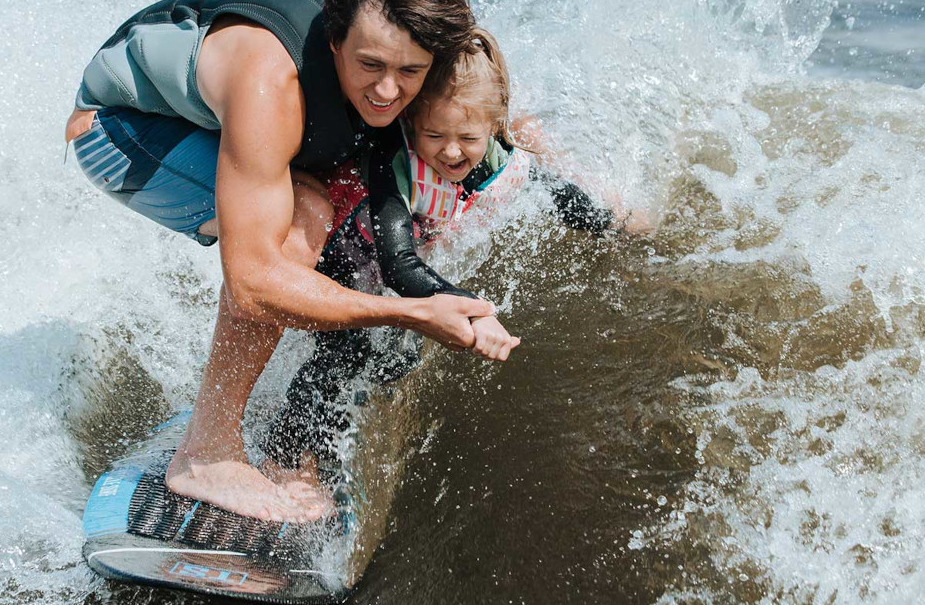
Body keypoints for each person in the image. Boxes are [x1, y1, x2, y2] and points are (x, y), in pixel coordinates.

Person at [65, 0, 505, 523]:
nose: (387, 91)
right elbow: (252, 284)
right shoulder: (272, 82)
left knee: (364, 237)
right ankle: (206, 454)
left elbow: (487, 108)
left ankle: (296, 433)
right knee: (308, 220)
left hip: (233, 125)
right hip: (121, 131)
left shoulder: (409, 34)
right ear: (334, 39)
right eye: (369, 65)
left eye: (409, 73)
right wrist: (413, 313)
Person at [260, 28, 648, 497]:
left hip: (378, 260)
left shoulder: (495, 157)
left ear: (492, 128)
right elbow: (400, 263)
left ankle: (328, 438)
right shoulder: (393, 163)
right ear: (411, 122)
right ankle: (284, 456)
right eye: (434, 135)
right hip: (341, 251)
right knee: (348, 348)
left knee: (397, 356)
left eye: (468, 137)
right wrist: (474, 310)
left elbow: (554, 192)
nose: (450, 151)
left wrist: (615, 223)